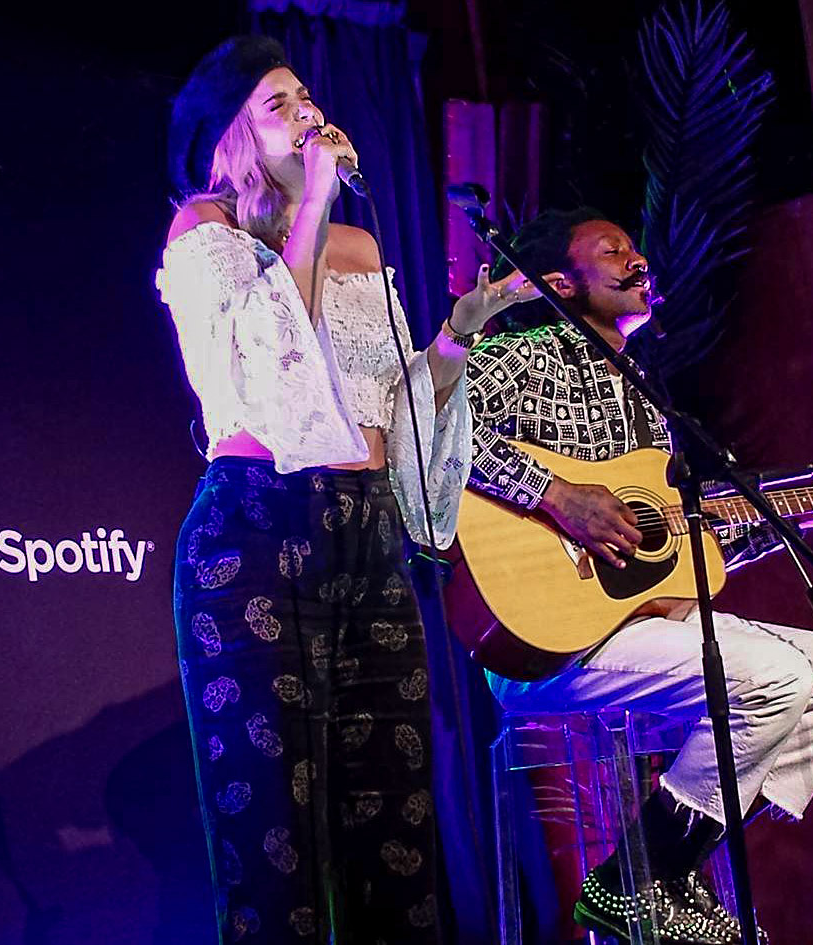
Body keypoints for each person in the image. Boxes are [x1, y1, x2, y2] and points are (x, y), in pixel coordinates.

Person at [157, 35, 534, 945]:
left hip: (366, 540)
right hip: (254, 535)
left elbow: (387, 409)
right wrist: (314, 200)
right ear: (231, 141)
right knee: (273, 843)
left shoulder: (359, 243)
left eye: (305, 96)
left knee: (395, 830)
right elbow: (263, 378)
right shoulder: (204, 234)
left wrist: (456, 337)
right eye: (277, 105)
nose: (308, 112)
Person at [464, 208, 813, 945]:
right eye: (613, 249)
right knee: (775, 676)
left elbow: (677, 552)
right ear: (562, 282)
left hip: (637, 627)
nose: (638, 259)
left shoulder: (645, 398)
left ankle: (664, 863)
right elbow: (426, 431)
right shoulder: (523, 356)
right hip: (545, 643)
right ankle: (635, 880)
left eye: (635, 246)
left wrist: (805, 517)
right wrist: (556, 496)